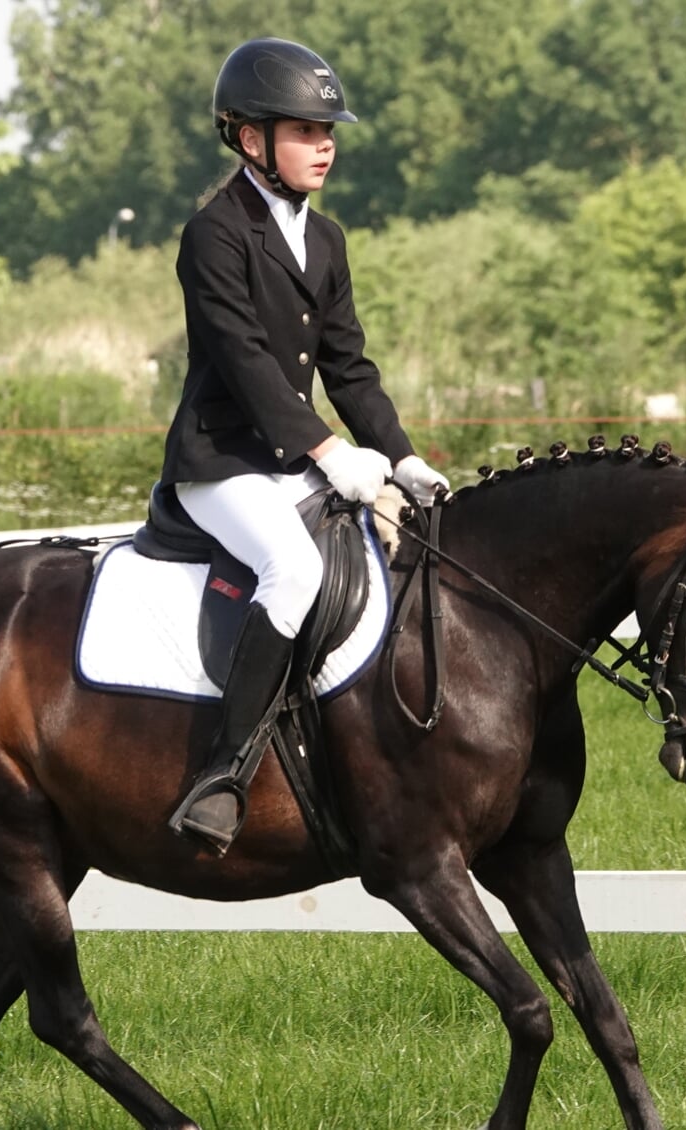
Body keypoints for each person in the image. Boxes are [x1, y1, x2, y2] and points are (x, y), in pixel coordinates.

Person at [161, 36, 449, 854]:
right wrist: (329, 453)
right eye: (305, 130)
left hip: (291, 461)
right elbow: (248, 367)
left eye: (330, 132)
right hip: (221, 464)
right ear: (251, 138)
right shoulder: (212, 235)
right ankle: (221, 775)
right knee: (297, 569)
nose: (325, 146)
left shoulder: (326, 242)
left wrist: (400, 455)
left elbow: (349, 368)